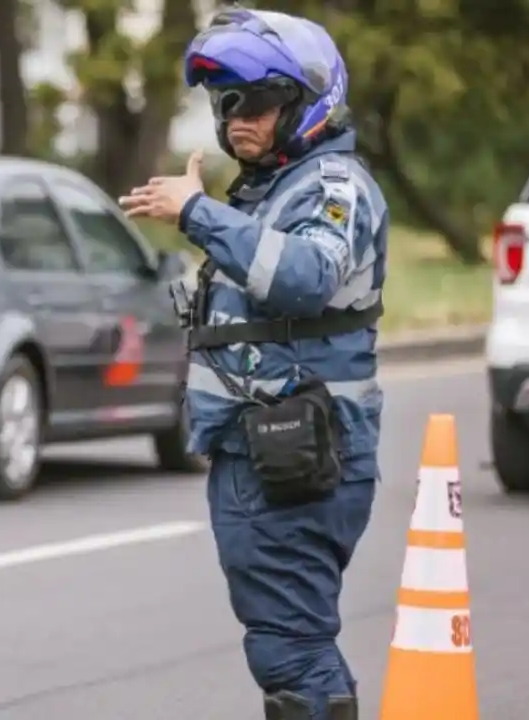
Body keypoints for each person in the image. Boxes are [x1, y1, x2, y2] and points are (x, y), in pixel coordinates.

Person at [119, 9, 387, 720]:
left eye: (257, 102)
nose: (236, 118)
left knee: (292, 649)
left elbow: (304, 275)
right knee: (286, 642)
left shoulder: (332, 186)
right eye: (224, 102)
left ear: (307, 103)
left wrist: (199, 215)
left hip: (298, 454)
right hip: (269, 451)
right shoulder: (270, 191)